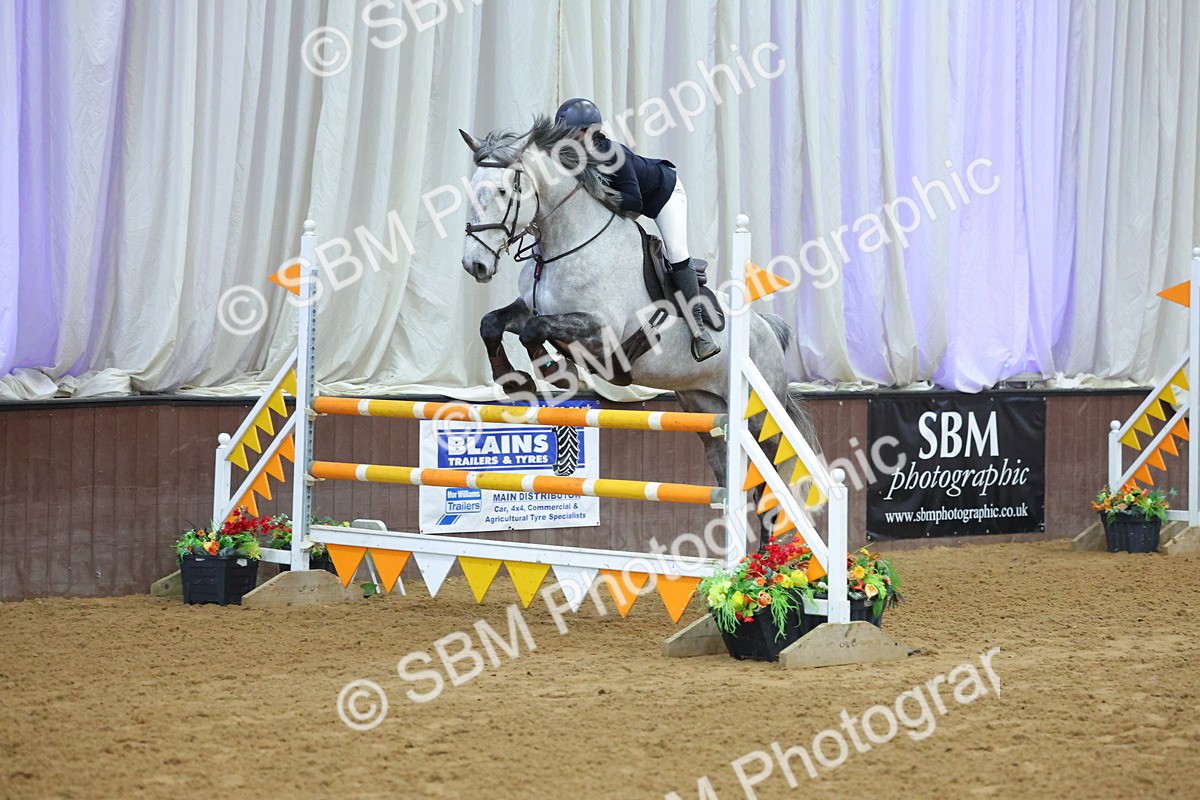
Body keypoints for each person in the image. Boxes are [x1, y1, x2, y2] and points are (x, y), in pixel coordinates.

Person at [554, 98, 720, 362]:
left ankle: (699, 330)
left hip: (663, 195)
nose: (566, 139)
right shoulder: (572, 158)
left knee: (675, 251)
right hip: (631, 203)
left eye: (572, 133)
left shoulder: (612, 154)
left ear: (589, 131)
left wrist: (598, 193)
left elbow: (634, 203)